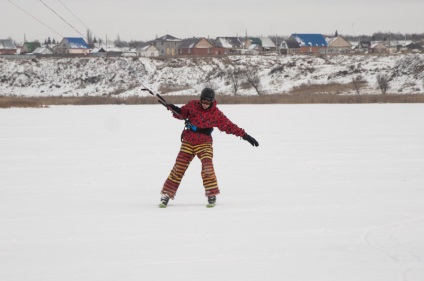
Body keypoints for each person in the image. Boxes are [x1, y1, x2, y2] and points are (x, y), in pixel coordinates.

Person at [159, 87, 259, 208]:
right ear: (200, 99)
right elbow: (182, 113)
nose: (205, 104)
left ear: (212, 102)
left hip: (204, 143)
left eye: (208, 102)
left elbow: (229, 126)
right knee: (178, 167)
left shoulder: (216, 114)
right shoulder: (192, 105)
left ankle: (211, 194)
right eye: (203, 101)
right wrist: (173, 108)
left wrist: (246, 136)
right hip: (189, 140)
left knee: (207, 166)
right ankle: (166, 195)